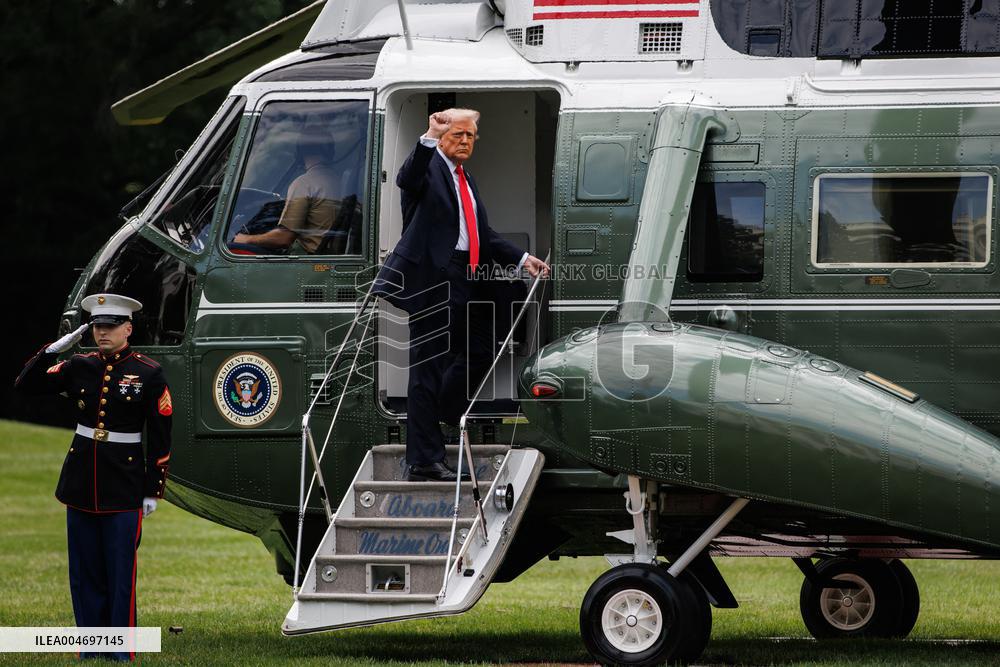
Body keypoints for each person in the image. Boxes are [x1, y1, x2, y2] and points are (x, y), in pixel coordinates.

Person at [374, 108, 549, 482]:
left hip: (467, 276)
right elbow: (407, 177)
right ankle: (424, 460)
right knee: (427, 367)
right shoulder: (429, 168)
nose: (465, 141)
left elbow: (482, 234)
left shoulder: (464, 177)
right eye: (458, 135)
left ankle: (445, 409)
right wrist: (428, 136)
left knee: (482, 347)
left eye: (471, 135)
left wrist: (522, 259)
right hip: (436, 279)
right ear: (441, 137)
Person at [15, 294, 171, 662]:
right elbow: (25, 384)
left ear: (127, 329)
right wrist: (52, 351)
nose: (103, 332)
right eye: (98, 326)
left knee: (119, 573)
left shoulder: (148, 372)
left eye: (111, 326)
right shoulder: (79, 365)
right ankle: (91, 646)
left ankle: (120, 650)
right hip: (81, 481)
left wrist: (153, 489)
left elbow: (161, 434)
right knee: (84, 572)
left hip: (124, 483)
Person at [233, 125, 346, 253]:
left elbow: (284, 238)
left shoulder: (304, 183)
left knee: (233, 248)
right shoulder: (338, 181)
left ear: (300, 152)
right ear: (331, 151)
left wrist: (246, 239)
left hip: (308, 257)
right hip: (328, 253)